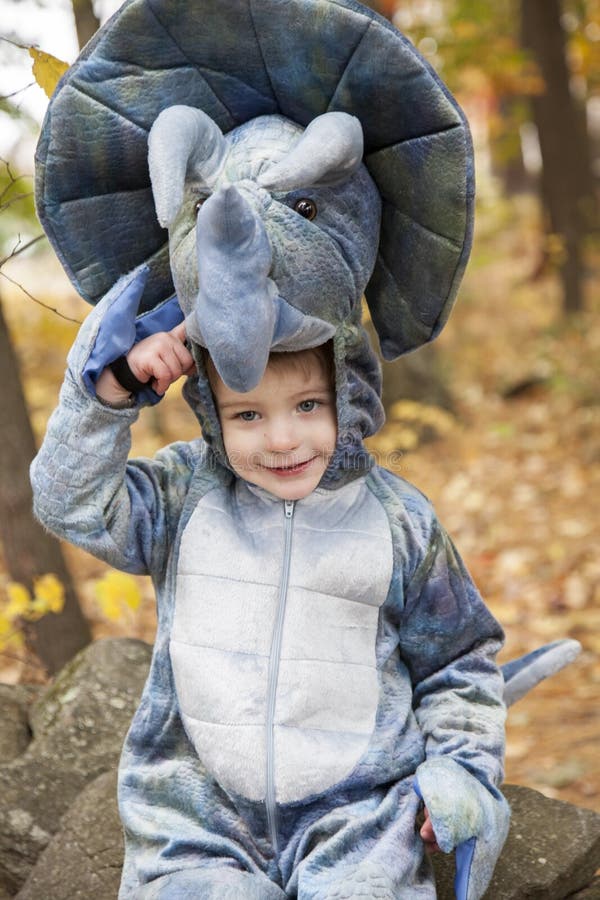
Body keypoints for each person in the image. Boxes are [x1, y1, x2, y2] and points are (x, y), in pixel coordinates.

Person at [31, 277, 509, 899]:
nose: (281, 440)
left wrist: (463, 767)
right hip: (195, 820)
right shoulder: (182, 496)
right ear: (210, 410)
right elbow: (70, 504)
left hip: (356, 819)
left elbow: (459, 660)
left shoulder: (401, 522)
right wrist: (109, 390)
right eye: (248, 414)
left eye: (308, 405)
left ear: (349, 393)